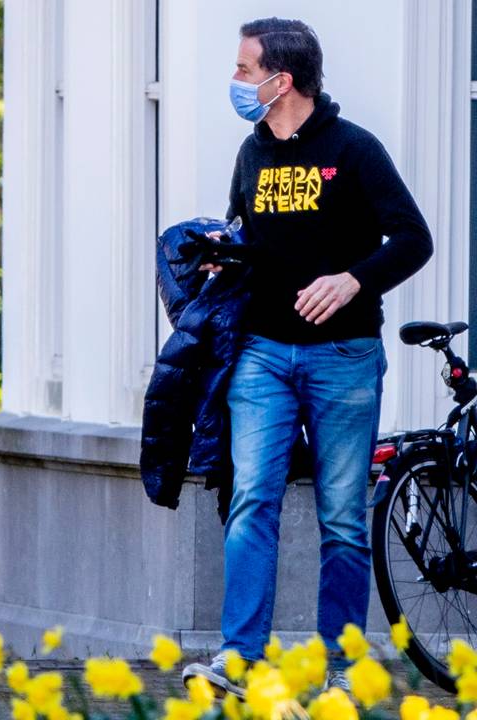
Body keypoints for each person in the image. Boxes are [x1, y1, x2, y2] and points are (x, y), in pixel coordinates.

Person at [182, 17, 432, 697]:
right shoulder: (250, 153)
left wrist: (353, 278)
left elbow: (414, 239)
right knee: (251, 500)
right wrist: (217, 261)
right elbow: (246, 236)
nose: (235, 82)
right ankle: (239, 663)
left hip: (344, 358)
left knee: (343, 520)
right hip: (260, 353)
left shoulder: (354, 150)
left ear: (280, 79)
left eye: (242, 69)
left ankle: (343, 676)